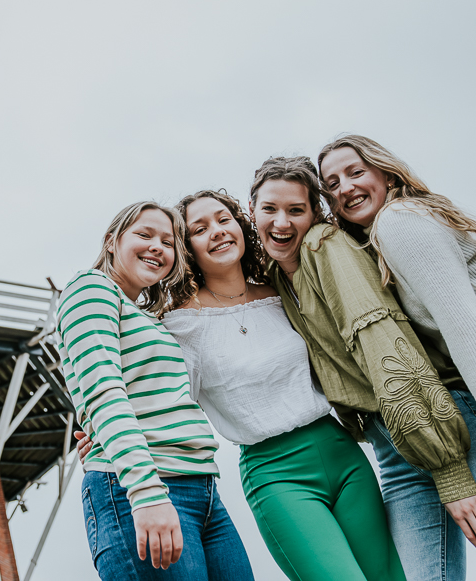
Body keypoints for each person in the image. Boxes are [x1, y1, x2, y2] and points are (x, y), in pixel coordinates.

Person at [252, 155, 476, 581]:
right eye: (270, 209)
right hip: (392, 445)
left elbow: (387, 349)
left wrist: (451, 470)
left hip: (444, 422)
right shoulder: (280, 276)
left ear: (316, 213)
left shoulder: (327, 247)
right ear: (253, 211)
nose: (281, 223)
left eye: (296, 210)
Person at [79, 190, 406, 581]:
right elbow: (141, 388)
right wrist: (97, 434)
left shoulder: (283, 292)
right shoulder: (178, 326)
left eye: (223, 219)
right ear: (189, 251)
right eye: (199, 229)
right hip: (273, 467)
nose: (216, 232)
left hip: (339, 449)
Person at [56, 200, 253, 581]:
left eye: (168, 241)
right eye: (144, 235)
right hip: (145, 487)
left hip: (201, 489)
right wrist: (145, 491)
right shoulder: (91, 289)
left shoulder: (148, 318)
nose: (157, 247)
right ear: (112, 241)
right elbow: (104, 393)